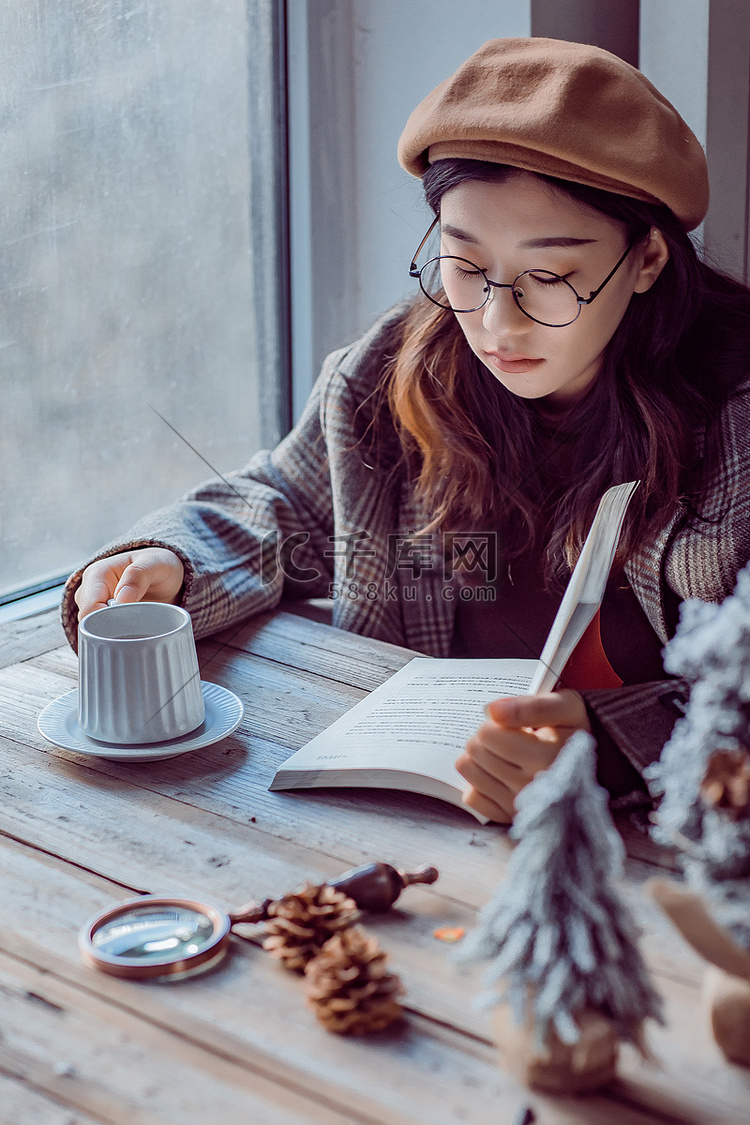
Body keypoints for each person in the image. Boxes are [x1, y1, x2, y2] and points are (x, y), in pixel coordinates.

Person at [62, 38, 750, 823]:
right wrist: (171, 559)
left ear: (649, 257)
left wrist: (610, 746)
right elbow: (283, 505)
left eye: (551, 277)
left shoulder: (734, 420)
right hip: (409, 821)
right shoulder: (393, 371)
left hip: (661, 851)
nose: (497, 323)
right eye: (464, 264)